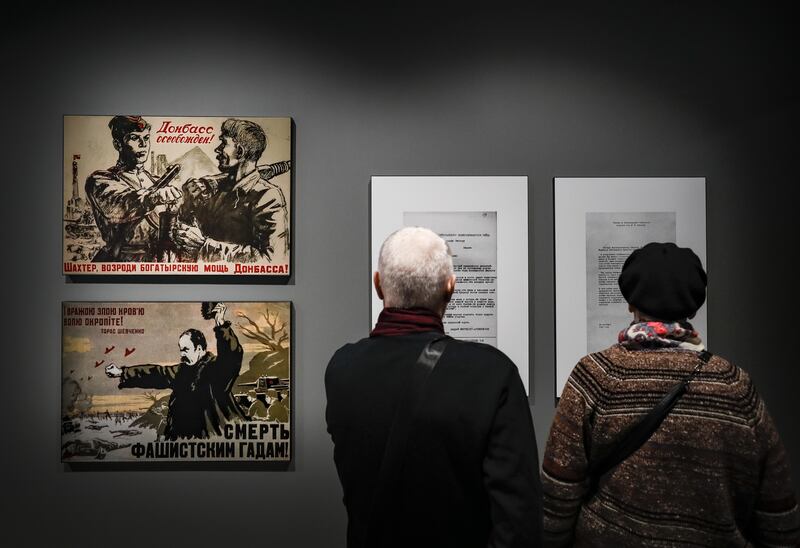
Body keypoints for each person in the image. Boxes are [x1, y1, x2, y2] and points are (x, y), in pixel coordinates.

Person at [541, 242, 799, 547]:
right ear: (693, 308)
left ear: (630, 304)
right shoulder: (735, 385)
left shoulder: (595, 375)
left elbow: (558, 495)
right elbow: (777, 513)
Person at [325, 226, 542, 548]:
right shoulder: (492, 372)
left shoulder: (342, 367)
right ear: (450, 287)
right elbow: (519, 518)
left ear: (378, 285)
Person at [104, 303, 247, 440]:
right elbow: (155, 373)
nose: (182, 354)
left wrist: (221, 325)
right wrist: (122, 372)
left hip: (213, 443)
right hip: (181, 442)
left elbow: (231, 357)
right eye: (180, 349)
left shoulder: (217, 370)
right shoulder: (180, 372)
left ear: (199, 349)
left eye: (185, 350)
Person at [174, 118, 289, 263]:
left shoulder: (268, 197)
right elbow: (189, 232)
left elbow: (271, 260)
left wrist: (204, 245)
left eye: (223, 143)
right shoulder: (216, 191)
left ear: (240, 152)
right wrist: (187, 204)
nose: (217, 149)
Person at [85, 115, 182, 261]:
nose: (143, 144)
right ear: (118, 145)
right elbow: (120, 204)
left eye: (146, 138)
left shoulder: (156, 181)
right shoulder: (101, 180)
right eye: (135, 138)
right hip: (123, 260)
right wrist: (155, 197)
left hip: (160, 260)